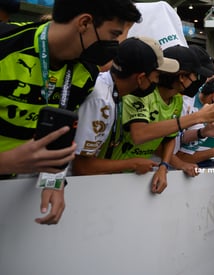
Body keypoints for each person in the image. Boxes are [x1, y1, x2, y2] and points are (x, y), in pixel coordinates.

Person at [0, 0, 141, 225]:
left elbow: (59, 135)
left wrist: (53, 180)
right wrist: (6, 161)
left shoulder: (86, 72)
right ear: (84, 23)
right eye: (114, 34)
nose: (117, 45)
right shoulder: (5, 47)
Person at [109, 45, 214, 194]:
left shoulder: (177, 101)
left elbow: (169, 138)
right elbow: (140, 134)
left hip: (143, 173)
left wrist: (164, 166)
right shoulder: (142, 92)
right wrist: (198, 117)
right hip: (111, 171)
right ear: (181, 77)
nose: (200, 82)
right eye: (197, 77)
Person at [71, 37, 179, 176]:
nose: (157, 82)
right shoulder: (101, 101)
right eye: (157, 76)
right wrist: (133, 163)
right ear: (140, 78)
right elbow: (81, 167)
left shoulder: (111, 91)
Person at [176, 76, 214, 167]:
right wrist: (213, 152)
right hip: (186, 169)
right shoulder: (185, 104)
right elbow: (179, 152)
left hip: (209, 166)